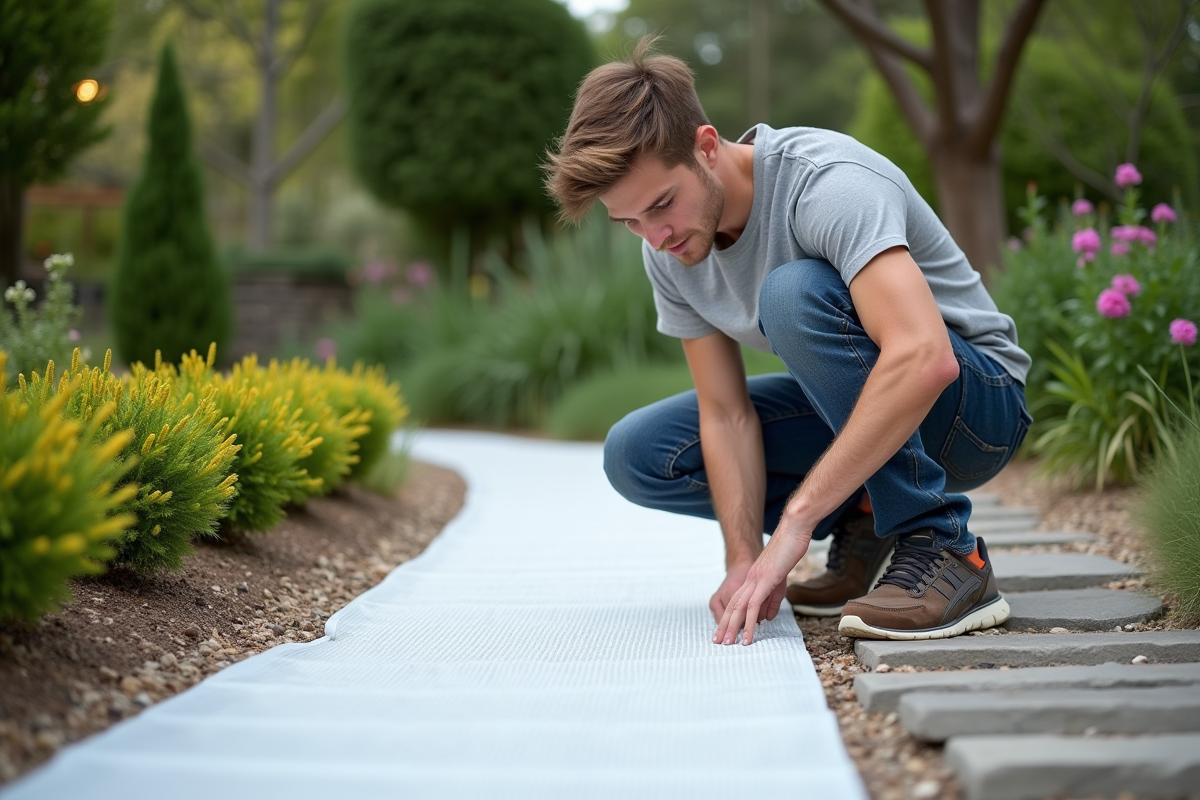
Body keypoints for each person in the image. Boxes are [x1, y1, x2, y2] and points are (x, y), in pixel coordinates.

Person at [542, 38, 1031, 645]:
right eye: (630, 222)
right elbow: (726, 415)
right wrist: (743, 559)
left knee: (791, 294)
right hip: (871, 405)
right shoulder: (668, 250)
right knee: (639, 453)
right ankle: (868, 515)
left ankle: (945, 547)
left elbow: (923, 358)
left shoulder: (826, 184)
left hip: (977, 409)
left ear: (707, 146)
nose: (656, 236)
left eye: (662, 204)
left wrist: (796, 523)